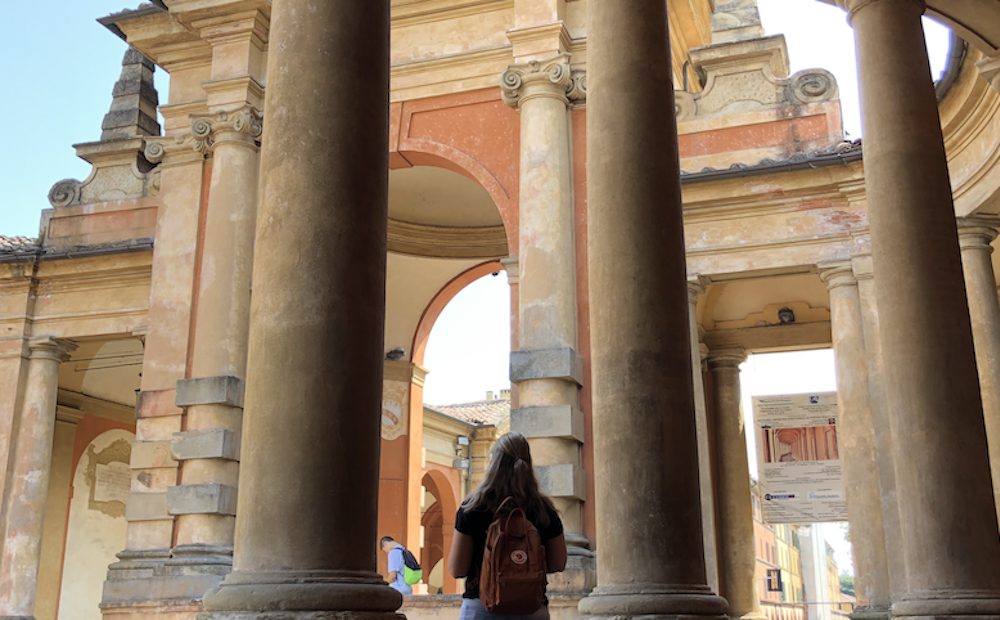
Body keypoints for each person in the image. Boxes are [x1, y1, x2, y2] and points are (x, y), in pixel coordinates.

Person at [448, 432, 568, 619]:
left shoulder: (472, 508)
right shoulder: (544, 511)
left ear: (494, 463)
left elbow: (457, 569)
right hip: (532, 608)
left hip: (481, 608)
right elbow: (557, 563)